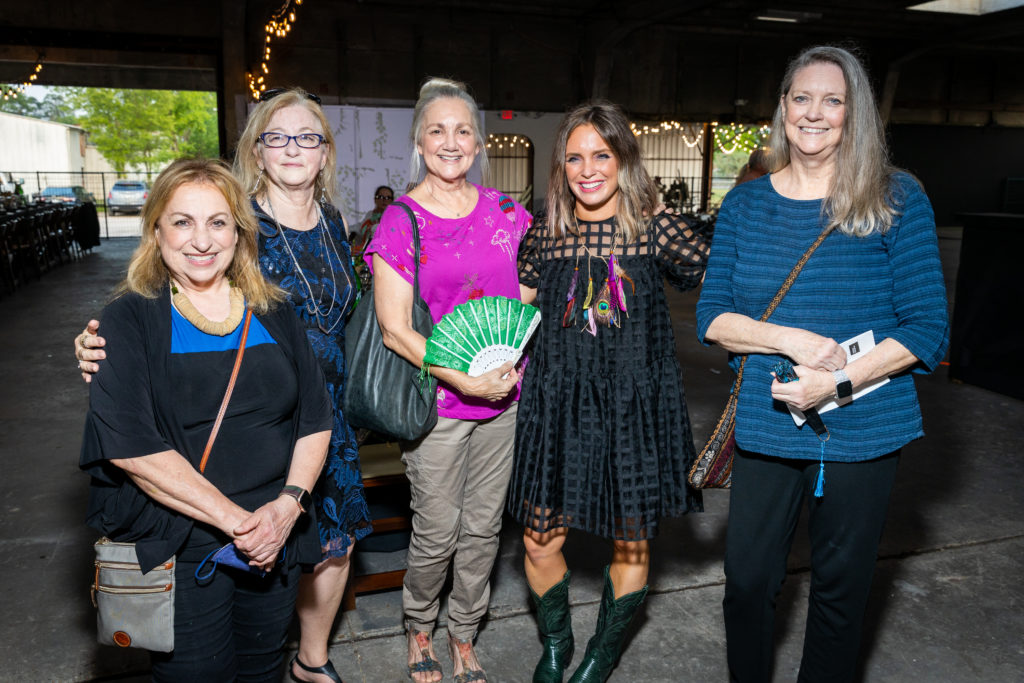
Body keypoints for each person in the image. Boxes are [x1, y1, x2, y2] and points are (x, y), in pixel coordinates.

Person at [77, 87, 372, 683]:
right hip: (187, 538)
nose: (202, 239)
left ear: (239, 234)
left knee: (264, 665)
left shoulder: (278, 299)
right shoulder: (130, 318)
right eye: (182, 223)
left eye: (217, 224)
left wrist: (286, 511)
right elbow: (131, 444)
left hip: (280, 528)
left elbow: (315, 415)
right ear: (154, 229)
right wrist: (242, 524)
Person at [696, 45, 949, 682]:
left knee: (841, 592)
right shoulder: (746, 205)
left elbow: (926, 329)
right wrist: (792, 342)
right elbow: (712, 319)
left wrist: (833, 381)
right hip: (766, 422)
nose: (815, 113)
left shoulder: (897, 197)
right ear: (782, 108)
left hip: (866, 429)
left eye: (832, 100)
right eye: (801, 98)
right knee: (747, 584)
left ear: (853, 112)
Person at [511, 101, 709, 683]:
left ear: (625, 159)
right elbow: (515, 318)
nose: (587, 168)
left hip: (633, 408)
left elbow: (727, 280)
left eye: (602, 154)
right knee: (539, 538)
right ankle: (555, 644)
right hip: (556, 406)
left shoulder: (657, 229)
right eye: (574, 157)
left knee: (631, 544)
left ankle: (602, 651)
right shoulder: (544, 231)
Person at [366, 77, 531, 683]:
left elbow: (530, 292)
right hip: (436, 404)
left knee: (486, 529)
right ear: (418, 140)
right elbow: (393, 331)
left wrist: (506, 355)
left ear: (479, 141)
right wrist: (465, 377)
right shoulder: (399, 221)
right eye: (437, 129)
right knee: (438, 531)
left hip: (505, 400)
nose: (451, 140)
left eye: (463, 129)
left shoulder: (508, 213)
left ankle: (464, 633)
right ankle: (418, 625)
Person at [350, 185, 394, 288]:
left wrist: (374, 227)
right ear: (375, 199)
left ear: (392, 200)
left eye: (388, 198)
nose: (384, 200)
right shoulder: (370, 215)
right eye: (381, 197)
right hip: (366, 257)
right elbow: (360, 228)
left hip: (384, 258)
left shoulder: (393, 216)